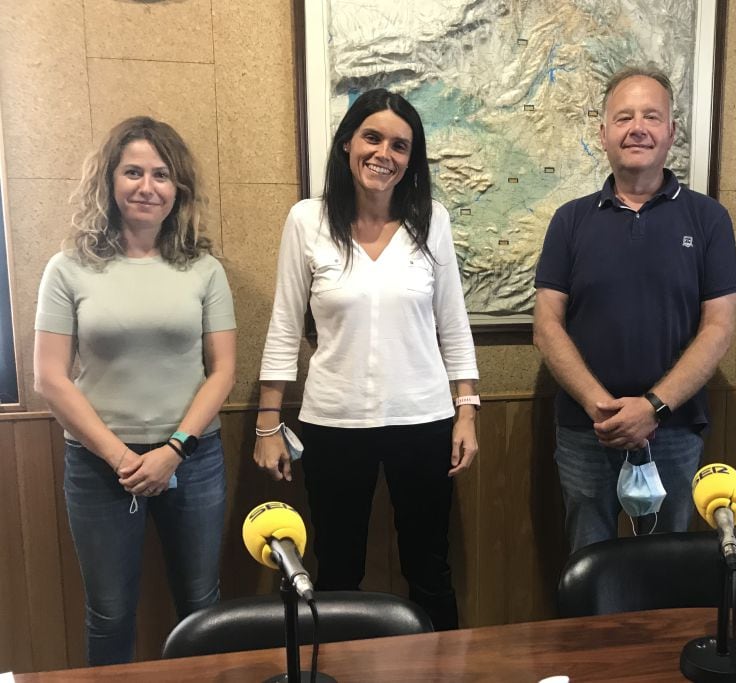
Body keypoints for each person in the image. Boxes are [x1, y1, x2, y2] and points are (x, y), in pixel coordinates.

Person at [254, 88, 479, 631]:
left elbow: (453, 322)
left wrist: (466, 409)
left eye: (400, 145)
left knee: (430, 569)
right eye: (372, 137)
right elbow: (285, 322)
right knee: (337, 571)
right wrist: (267, 420)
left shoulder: (433, 221)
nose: (385, 153)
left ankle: (440, 673)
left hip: (423, 420)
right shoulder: (307, 221)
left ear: (412, 159)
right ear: (347, 144)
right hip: (335, 423)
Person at [33, 116, 236, 665]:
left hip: (193, 462)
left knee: (200, 605)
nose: (147, 186)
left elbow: (222, 371)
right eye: (133, 172)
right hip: (101, 466)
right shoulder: (68, 269)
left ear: (179, 189)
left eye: (162, 174)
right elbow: (49, 377)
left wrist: (172, 452)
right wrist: (123, 456)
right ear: (110, 181)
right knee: (109, 611)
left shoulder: (204, 269)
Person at [534, 66, 736, 554]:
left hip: (673, 428)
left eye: (652, 115)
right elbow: (546, 325)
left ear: (672, 131)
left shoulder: (708, 219)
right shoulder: (570, 220)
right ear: (603, 134)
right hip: (589, 431)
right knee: (589, 560)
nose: (638, 128)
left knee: (667, 563)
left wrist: (653, 407)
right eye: (623, 117)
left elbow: (718, 327)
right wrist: (599, 406)